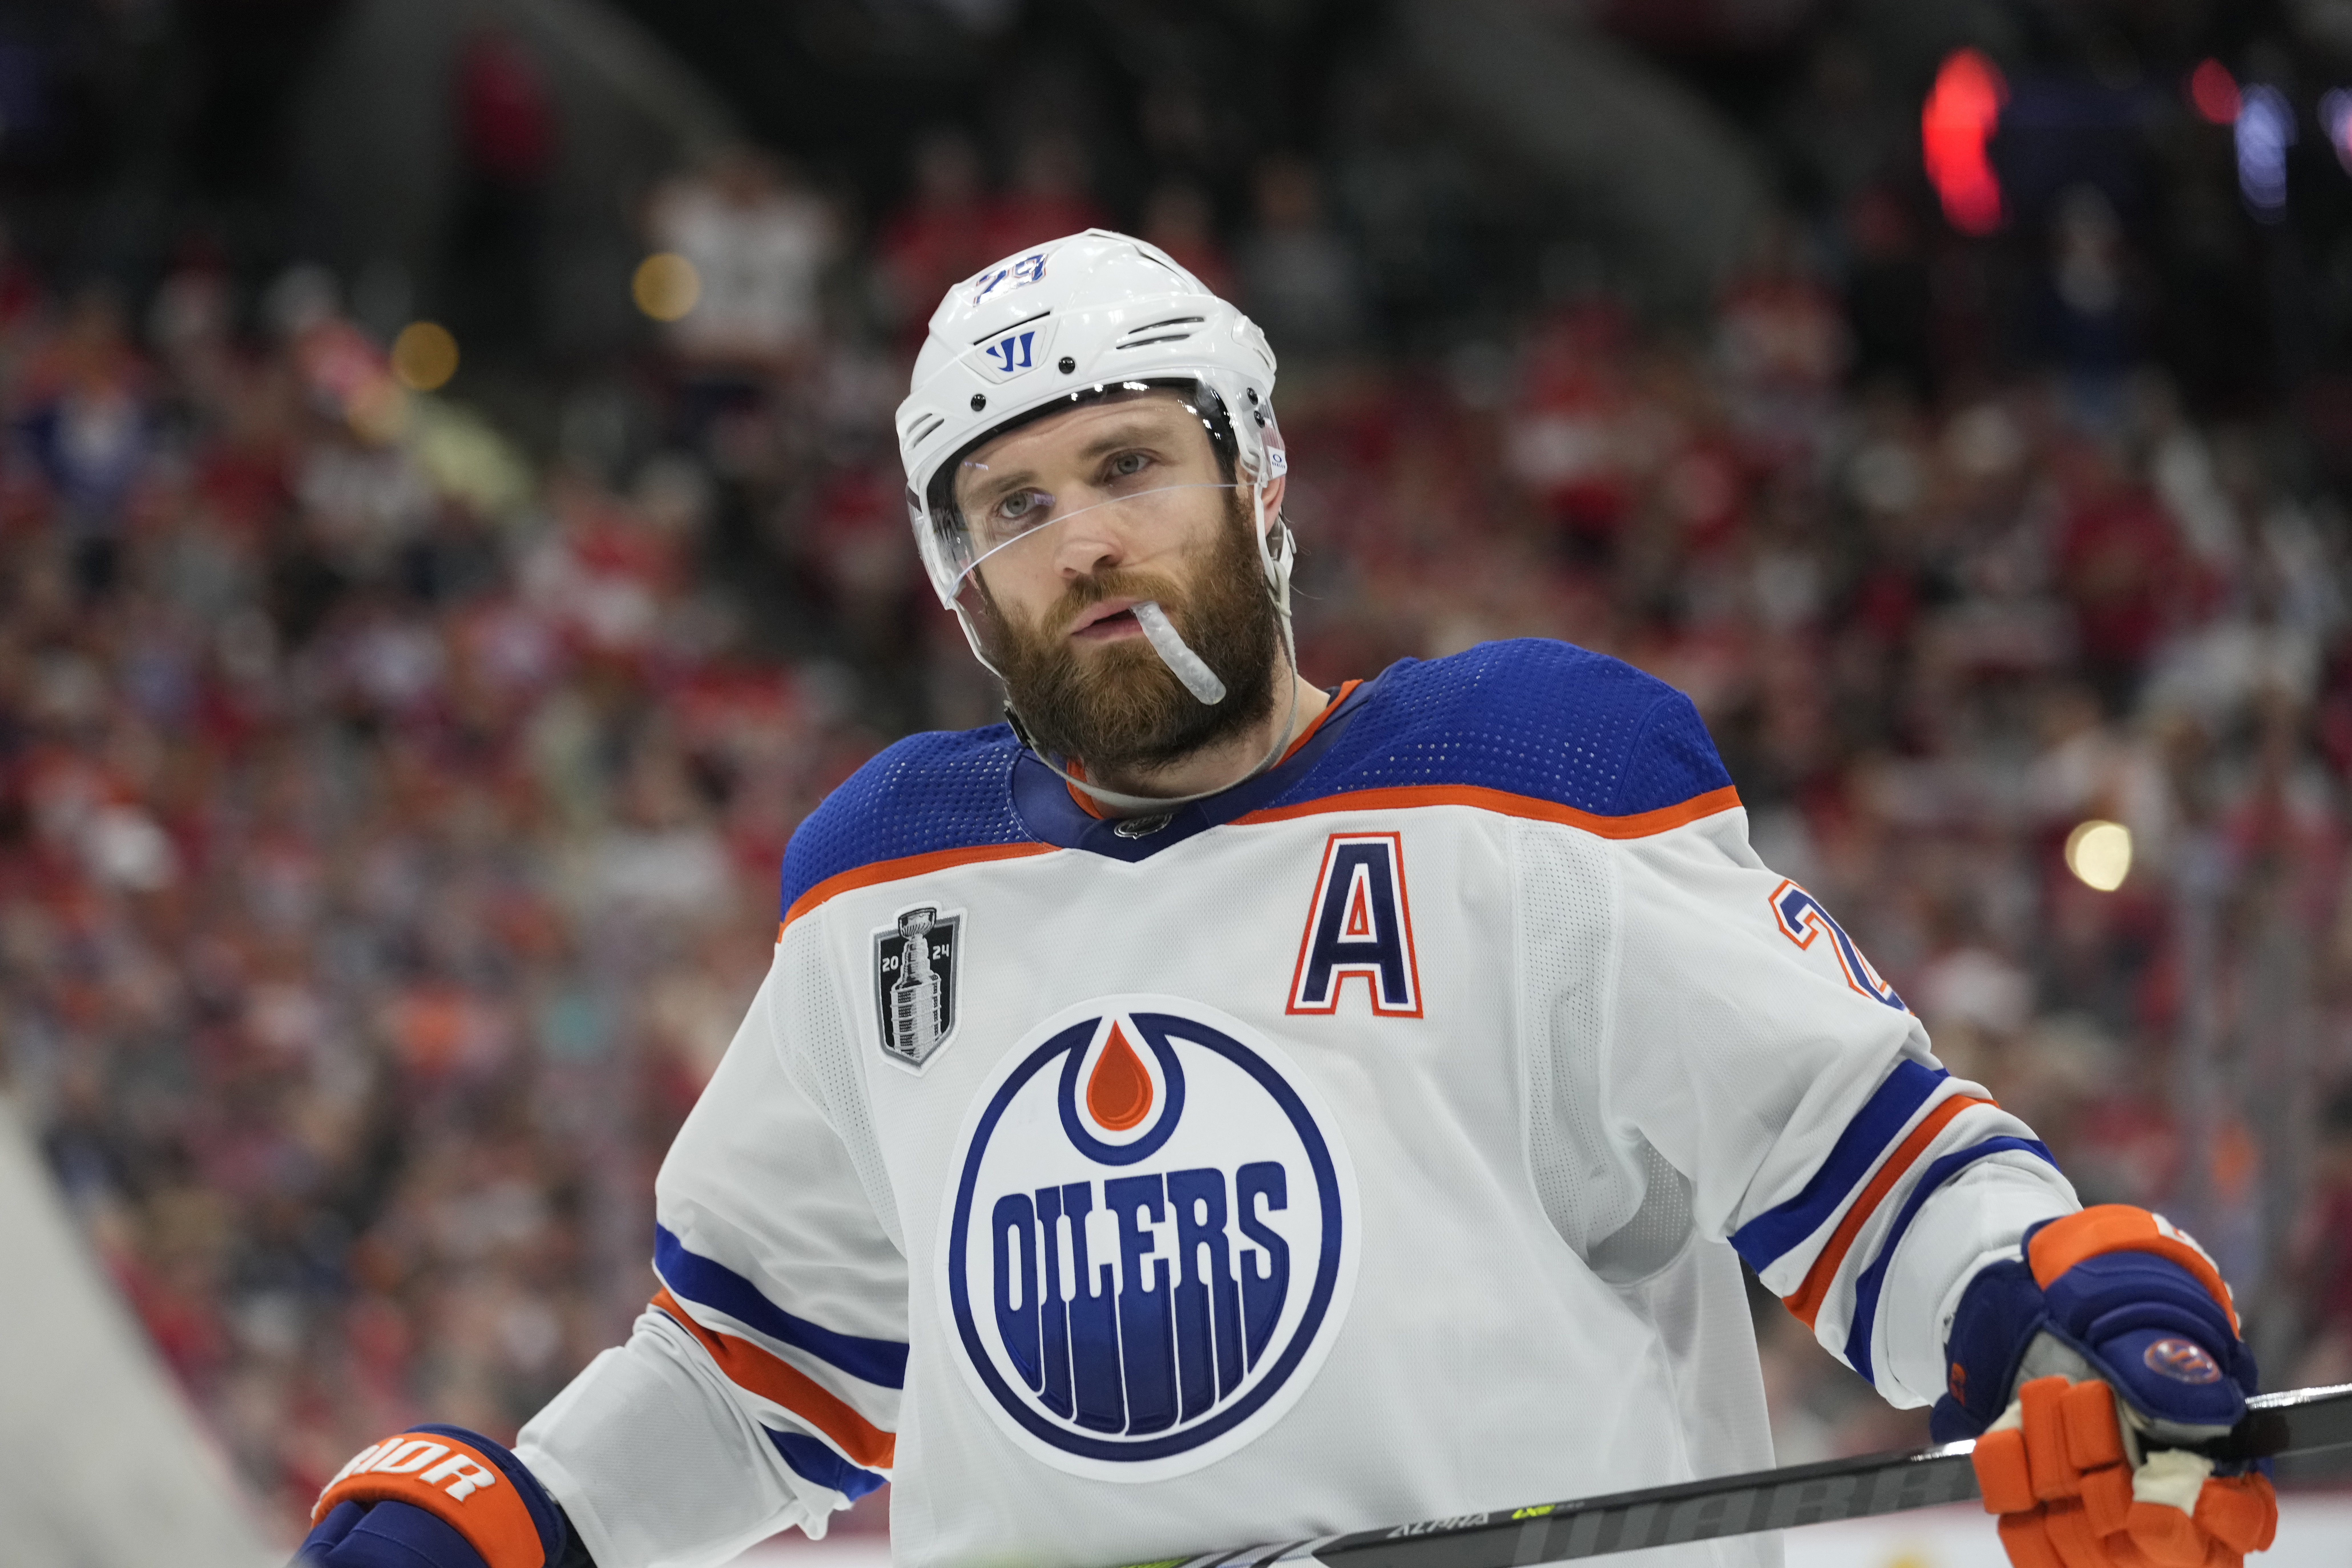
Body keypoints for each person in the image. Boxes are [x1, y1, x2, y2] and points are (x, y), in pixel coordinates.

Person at [292, 233, 2277, 1568]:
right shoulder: (881, 887)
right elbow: (756, 1368)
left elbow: (1865, 1165)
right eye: (1014, 509)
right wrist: (519, 1517)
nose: (1083, 541)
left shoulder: (1535, 776)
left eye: (1129, 463)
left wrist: (2059, 1313)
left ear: (1257, 486)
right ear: (958, 589)